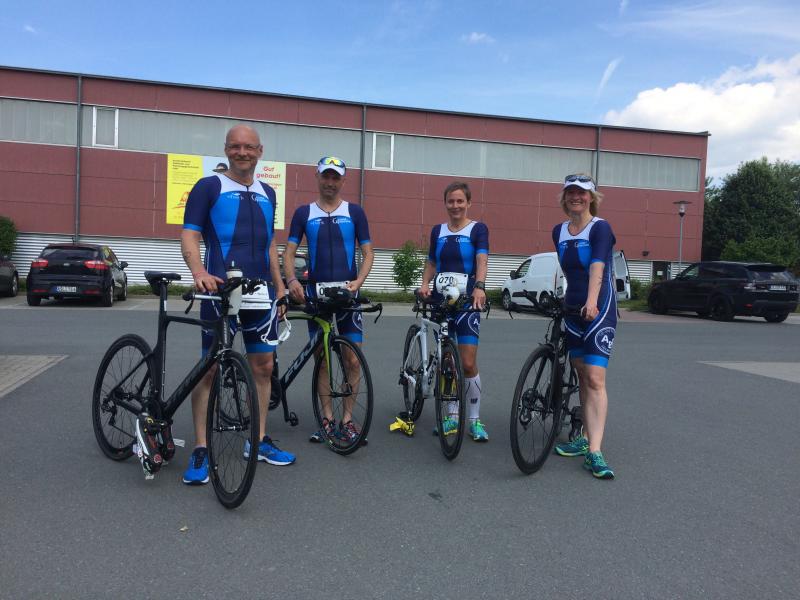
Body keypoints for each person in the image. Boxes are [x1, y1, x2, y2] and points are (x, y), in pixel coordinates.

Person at [179, 124, 294, 485]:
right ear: (226, 149)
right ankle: (201, 447)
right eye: (235, 146)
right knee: (209, 368)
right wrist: (198, 271)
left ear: (260, 151)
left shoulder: (268, 192)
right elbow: (190, 233)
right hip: (220, 289)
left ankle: (257, 440)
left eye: (249, 147)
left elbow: (269, 244)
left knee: (263, 367)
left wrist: (280, 286)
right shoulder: (209, 186)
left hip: (261, 292)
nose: (242, 152)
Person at [283, 156, 374, 444]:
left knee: (353, 360)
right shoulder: (303, 213)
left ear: (343, 180)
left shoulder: (355, 212)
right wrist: (292, 281)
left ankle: (347, 420)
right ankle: (326, 419)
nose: (330, 182)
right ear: (318, 177)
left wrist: (358, 282)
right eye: (326, 176)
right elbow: (288, 253)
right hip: (316, 295)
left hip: (347, 295)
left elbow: (369, 253)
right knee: (322, 360)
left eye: (336, 177)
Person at [551, 173, 616, 479]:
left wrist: (591, 302)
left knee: (595, 378)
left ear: (591, 197)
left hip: (598, 309)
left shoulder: (600, 228)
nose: (576, 197)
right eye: (571, 192)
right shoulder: (559, 231)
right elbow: (568, 271)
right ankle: (586, 437)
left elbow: (597, 267)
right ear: (565, 197)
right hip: (572, 309)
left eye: (582, 192)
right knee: (581, 373)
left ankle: (595, 452)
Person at [419, 181, 489, 441]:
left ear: (468, 203)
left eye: (460, 201)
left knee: (467, 363)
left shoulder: (478, 229)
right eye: (451, 201)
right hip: (441, 303)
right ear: (445, 203)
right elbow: (431, 261)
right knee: (446, 361)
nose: (455, 205)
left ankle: (474, 420)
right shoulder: (438, 231)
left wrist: (480, 286)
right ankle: (451, 415)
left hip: (467, 302)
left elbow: (482, 259)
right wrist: (424, 284)